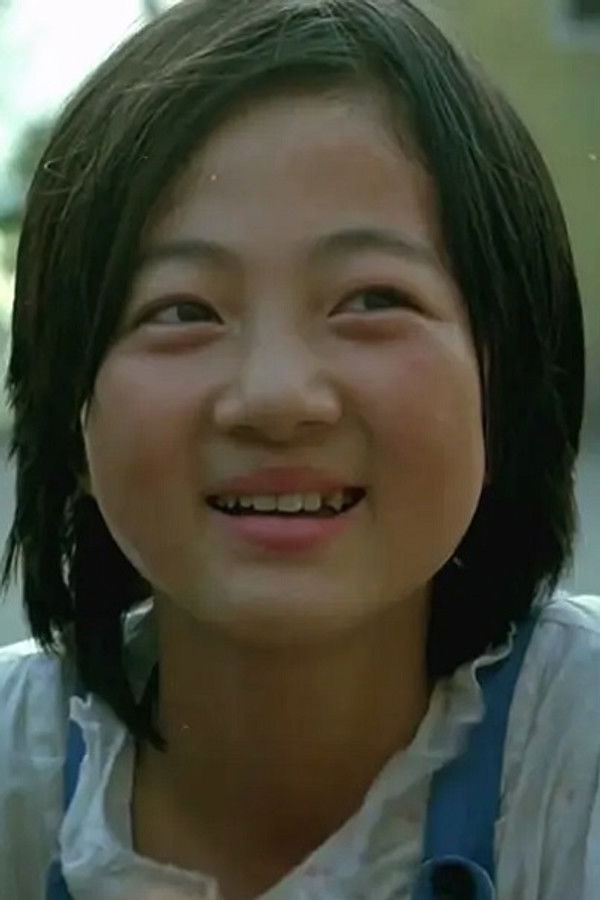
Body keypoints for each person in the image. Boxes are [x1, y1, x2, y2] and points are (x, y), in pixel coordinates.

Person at [0, 0, 598, 897]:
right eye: (183, 310)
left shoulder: (575, 757)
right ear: (68, 412)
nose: (277, 397)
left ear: (503, 380)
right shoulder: (20, 776)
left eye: (372, 300)